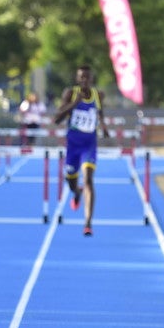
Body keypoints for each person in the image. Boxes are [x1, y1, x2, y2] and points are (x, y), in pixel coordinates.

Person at [53, 65, 109, 236]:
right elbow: (56, 119)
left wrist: (104, 127)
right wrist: (74, 103)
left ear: (91, 79)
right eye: (81, 77)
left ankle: (88, 223)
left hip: (89, 145)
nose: (84, 80)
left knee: (88, 180)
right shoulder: (70, 93)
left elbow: (100, 113)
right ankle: (76, 192)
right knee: (71, 181)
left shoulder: (98, 95)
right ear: (77, 79)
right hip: (73, 147)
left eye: (87, 77)